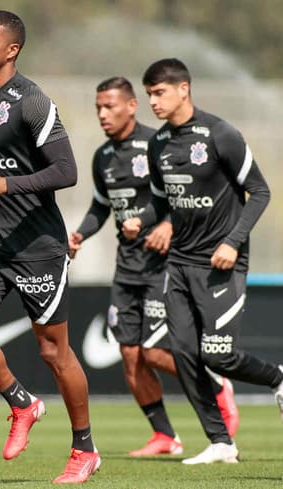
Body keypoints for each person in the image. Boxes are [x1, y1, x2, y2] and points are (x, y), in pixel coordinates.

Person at [0, 10, 99, 484]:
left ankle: (84, 450)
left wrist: (6, 185)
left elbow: (66, 171)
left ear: (11, 50)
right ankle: (22, 402)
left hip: (38, 246)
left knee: (55, 353)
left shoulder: (32, 101)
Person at [122, 58, 283, 464]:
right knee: (184, 354)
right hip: (179, 265)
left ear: (183, 89)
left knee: (218, 355)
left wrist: (232, 242)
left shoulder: (220, 133)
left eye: (159, 93)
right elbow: (161, 198)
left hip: (221, 266)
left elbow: (260, 192)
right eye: (149, 95)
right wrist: (143, 219)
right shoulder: (158, 144)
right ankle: (221, 442)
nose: (153, 102)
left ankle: (277, 377)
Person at [69, 77, 238, 456]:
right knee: (130, 356)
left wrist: (165, 225)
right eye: (98, 107)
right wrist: (79, 234)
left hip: (165, 265)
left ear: (132, 105)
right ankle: (165, 436)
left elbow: (191, 197)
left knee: (156, 353)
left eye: (110, 106)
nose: (102, 114)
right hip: (126, 269)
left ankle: (215, 385)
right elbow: (101, 206)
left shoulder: (158, 145)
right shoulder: (103, 157)